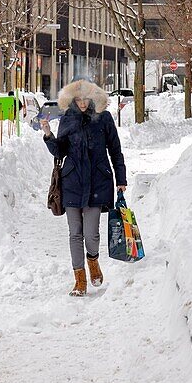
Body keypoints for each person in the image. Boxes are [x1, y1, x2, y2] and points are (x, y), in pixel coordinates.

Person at [42, 79, 127, 297]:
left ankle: (93, 261)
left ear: (92, 98)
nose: (81, 103)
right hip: (72, 182)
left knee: (92, 234)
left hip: (98, 181)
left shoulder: (104, 119)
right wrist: (49, 135)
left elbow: (115, 151)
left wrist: (121, 179)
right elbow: (60, 151)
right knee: (74, 234)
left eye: (85, 99)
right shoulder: (67, 119)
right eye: (77, 99)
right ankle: (79, 280)